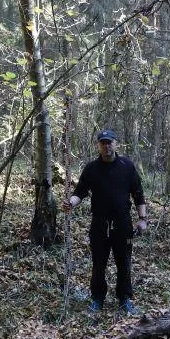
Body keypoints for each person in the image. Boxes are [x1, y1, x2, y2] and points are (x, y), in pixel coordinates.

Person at [63, 129, 148, 315]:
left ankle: (124, 298)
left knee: (123, 262)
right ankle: (97, 298)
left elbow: (138, 194)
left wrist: (142, 219)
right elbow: (80, 192)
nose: (106, 146)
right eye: (102, 143)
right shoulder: (92, 168)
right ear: (98, 145)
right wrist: (71, 203)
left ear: (116, 144)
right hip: (99, 223)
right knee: (98, 262)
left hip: (122, 223)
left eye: (109, 142)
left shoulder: (127, 166)